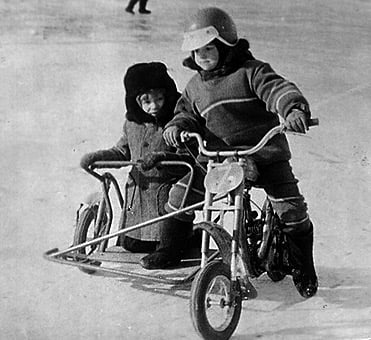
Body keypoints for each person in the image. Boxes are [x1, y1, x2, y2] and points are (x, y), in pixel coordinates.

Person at [148, 7, 317, 298]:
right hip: (216, 157)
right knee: (181, 194)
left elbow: (277, 89)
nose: (202, 56)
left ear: (226, 44)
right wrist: (177, 127)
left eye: (209, 49)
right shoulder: (195, 86)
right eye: (197, 51)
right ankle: (170, 249)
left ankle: (303, 266)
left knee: (290, 207)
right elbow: (185, 113)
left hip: (262, 151)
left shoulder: (251, 71)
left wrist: (292, 109)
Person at [80, 62, 194, 258]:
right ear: (136, 101)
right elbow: (122, 151)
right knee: (132, 246)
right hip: (136, 204)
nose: (154, 106)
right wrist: (97, 157)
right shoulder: (132, 124)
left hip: (163, 198)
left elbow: (187, 161)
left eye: (159, 98)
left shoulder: (175, 124)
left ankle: (189, 239)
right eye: (146, 101)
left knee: (165, 246)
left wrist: (162, 157)